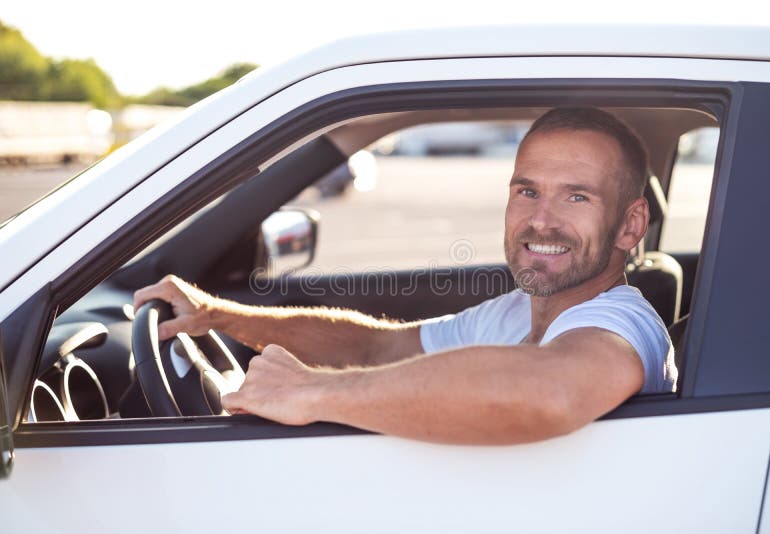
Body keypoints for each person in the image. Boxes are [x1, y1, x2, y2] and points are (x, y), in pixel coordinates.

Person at [133, 107, 677, 445]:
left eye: (576, 196)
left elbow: (549, 391)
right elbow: (376, 349)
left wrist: (314, 392)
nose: (540, 219)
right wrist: (221, 316)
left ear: (630, 226)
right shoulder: (514, 312)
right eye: (527, 191)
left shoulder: (620, 321)